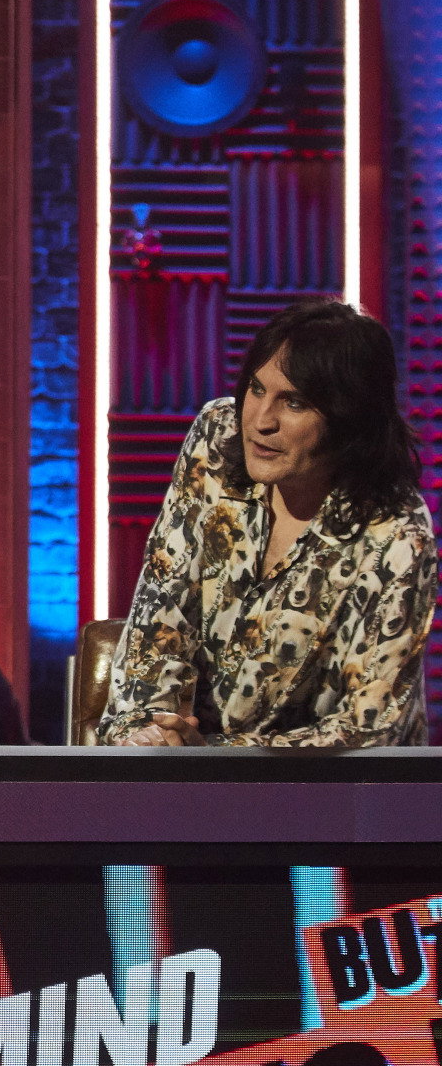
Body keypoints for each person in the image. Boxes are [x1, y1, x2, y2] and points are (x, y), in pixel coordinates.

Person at [97, 300, 436, 747]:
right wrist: (151, 732)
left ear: (350, 418)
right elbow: (161, 614)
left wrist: (216, 757)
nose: (260, 422)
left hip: (320, 784)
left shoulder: (397, 537)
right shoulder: (217, 439)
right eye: (256, 390)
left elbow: (369, 729)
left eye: (293, 403)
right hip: (187, 765)